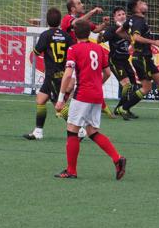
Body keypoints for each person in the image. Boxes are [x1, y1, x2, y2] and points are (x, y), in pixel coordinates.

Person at [54, 20, 127, 180]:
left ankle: (71, 171)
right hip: (97, 95)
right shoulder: (99, 48)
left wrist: (60, 99)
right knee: (92, 131)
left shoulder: (73, 49)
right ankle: (117, 158)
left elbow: (67, 74)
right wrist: (97, 85)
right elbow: (107, 73)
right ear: (89, 33)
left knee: (72, 130)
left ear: (75, 33)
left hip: (82, 95)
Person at [116, 0, 159, 119]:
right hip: (141, 58)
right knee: (147, 88)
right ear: (137, 8)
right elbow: (136, 37)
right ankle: (123, 108)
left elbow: (119, 31)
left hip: (145, 57)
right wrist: (153, 42)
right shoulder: (138, 21)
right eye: (142, 3)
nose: (145, 4)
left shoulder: (132, 19)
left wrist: (130, 39)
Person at [24, 8, 70, 141]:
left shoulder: (46, 35)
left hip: (52, 74)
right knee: (40, 99)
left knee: (58, 105)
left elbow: (36, 52)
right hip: (61, 73)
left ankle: (80, 130)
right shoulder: (66, 36)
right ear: (60, 21)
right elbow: (73, 51)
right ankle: (38, 131)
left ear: (47, 21)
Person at [102, 6, 138, 119]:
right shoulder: (112, 29)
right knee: (126, 85)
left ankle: (124, 108)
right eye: (119, 15)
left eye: (123, 14)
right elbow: (101, 39)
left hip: (125, 60)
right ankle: (120, 109)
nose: (122, 16)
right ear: (114, 18)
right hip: (115, 60)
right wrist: (104, 27)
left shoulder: (129, 29)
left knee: (134, 86)